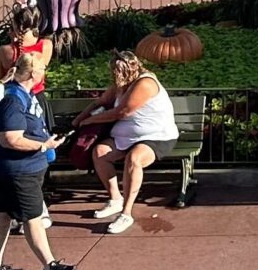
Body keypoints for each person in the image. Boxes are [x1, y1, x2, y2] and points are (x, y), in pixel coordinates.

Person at [0, 53, 74, 270]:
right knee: (33, 218)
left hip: (14, 169)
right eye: (42, 69)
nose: (45, 74)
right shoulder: (13, 100)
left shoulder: (22, 95)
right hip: (18, 171)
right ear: (33, 73)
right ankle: (50, 266)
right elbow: (9, 138)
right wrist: (44, 145)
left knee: (1, 216)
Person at [72, 49, 179, 235]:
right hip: (125, 137)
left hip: (156, 136)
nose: (116, 77)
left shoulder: (145, 83)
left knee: (134, 159)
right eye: (114, 72)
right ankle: (115, 199)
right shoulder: (120, 84)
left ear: (131, 69)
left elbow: (122, 112)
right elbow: (100, 102)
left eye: (119, 73)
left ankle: (126, 213)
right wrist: (77, 120)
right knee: (100, 153)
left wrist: (89, 121)